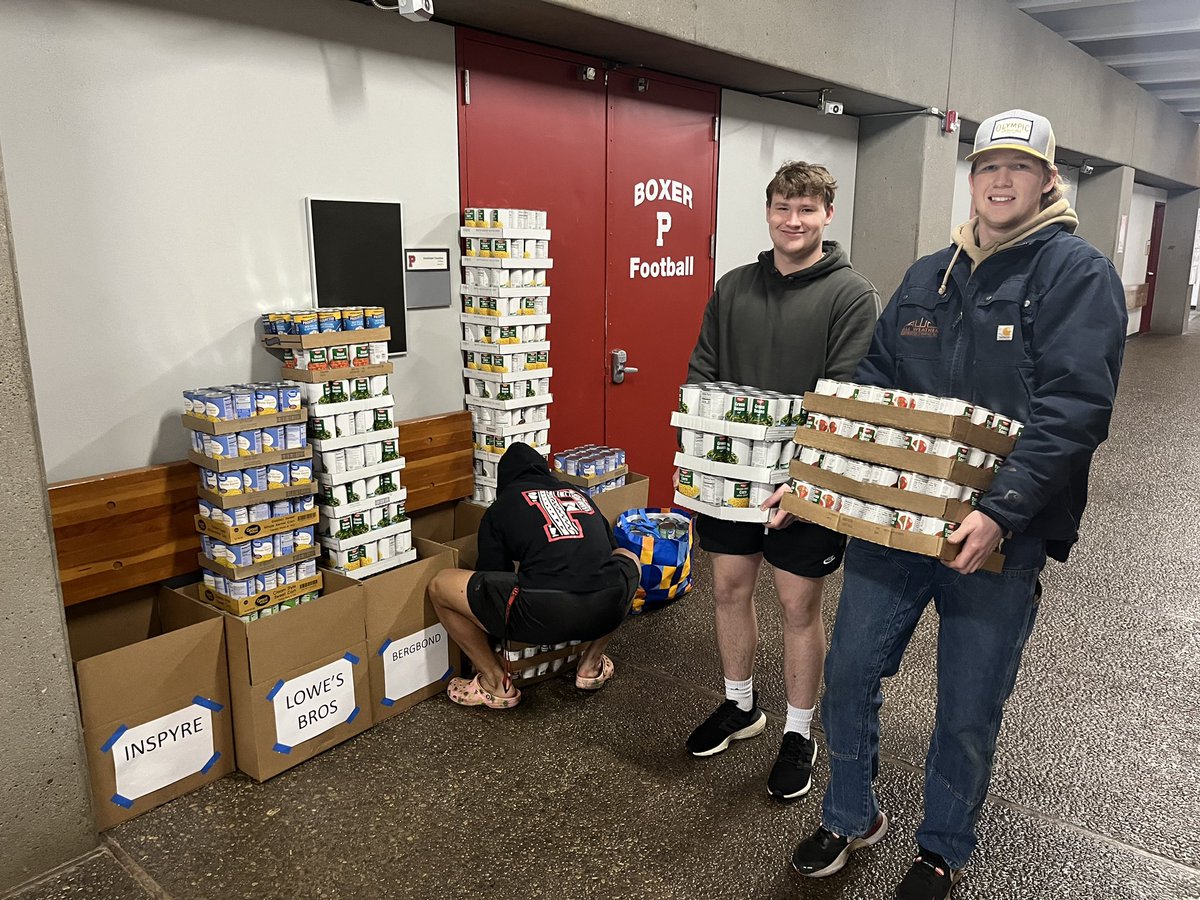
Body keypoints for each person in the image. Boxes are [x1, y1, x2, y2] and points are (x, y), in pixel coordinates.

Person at [790, 110, 1127, 899]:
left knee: (967, 705)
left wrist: (1002, 510)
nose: (1000, 180)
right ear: (970, 178)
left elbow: (1075, 406)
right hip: (897, 520)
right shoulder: (928, 275)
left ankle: (942, 847)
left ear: (1049, 179)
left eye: (1019, 166)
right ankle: (848, 815)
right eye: (986, 166)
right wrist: (815, 471)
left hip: (998, 538)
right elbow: (876, 380)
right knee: (848, 672)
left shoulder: (1075, 273)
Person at [683, 161, 880, 800]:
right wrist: (704, 455)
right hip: (730, 479)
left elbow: (846, 400)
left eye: (806, 210)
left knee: (798, 607)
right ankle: (741, 706)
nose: (792, 222)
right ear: (768, 211)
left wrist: (804, 486)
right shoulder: (734, 287)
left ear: (827, 215)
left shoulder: (851, 294)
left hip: (803, 484)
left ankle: (799, 731)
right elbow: (703, 373)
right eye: (782, 208)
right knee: (728, 589)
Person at [428, 442, 641, 708]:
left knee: (440, 585)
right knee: (630, 558)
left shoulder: (503, 505)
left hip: (542, 615)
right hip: (605, 608)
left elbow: (492, 574)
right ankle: (591, 664)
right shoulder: (579, 495)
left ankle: (495, 683)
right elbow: (609, 552)